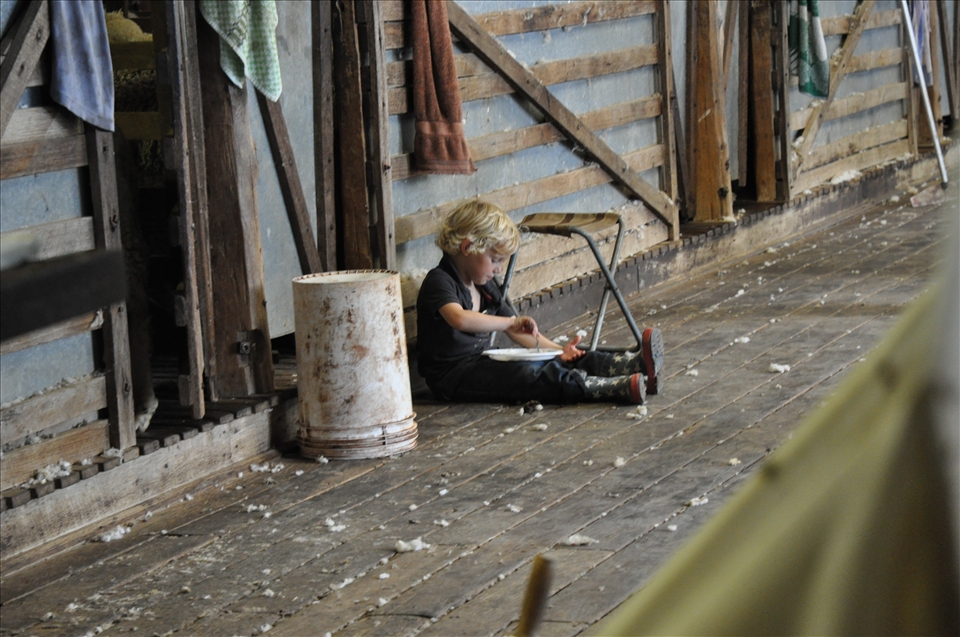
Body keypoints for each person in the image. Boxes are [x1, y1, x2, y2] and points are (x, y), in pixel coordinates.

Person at [416, 199, 664, 405]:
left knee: (561, 358)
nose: (499, 268)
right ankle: (610, 388)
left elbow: (517, 329)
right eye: (495, 259)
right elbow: (459, 319)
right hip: (453, 377)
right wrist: (508, 322)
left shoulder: (484, 285)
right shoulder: (440, 280)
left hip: (481, 363)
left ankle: (634, 364)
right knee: (527, 374)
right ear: (468, 247)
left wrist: (556, 351)